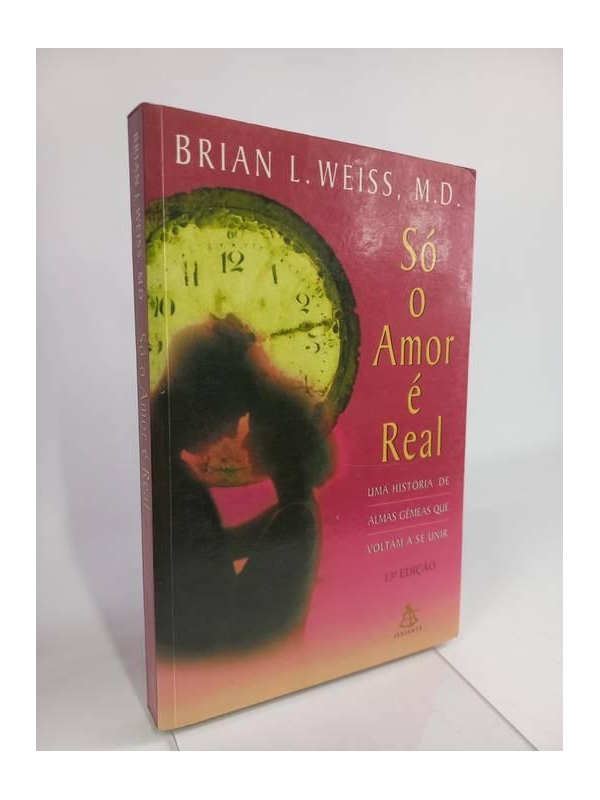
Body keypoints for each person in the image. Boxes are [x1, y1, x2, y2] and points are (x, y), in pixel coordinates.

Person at [150, 317, 333, 658]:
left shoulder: (163, 469)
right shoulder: (176, 485)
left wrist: (286, 517)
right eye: (236, 413)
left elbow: (202, 555)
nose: (236, 435)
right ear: (207, 396)